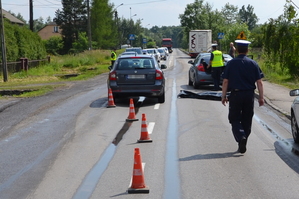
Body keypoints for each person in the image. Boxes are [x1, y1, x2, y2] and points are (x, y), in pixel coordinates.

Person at [221, 40, 264, 154]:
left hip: (235, 94)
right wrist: (261, 97)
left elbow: (225, 82)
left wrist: (223, 96)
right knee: (247, 118)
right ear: (247, 50)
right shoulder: (253, 63)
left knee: (234, 118)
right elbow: (259, 82)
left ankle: (241, 136)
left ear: (237, 50)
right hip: (249, 95)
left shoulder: (231, 63)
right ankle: (243, 139)